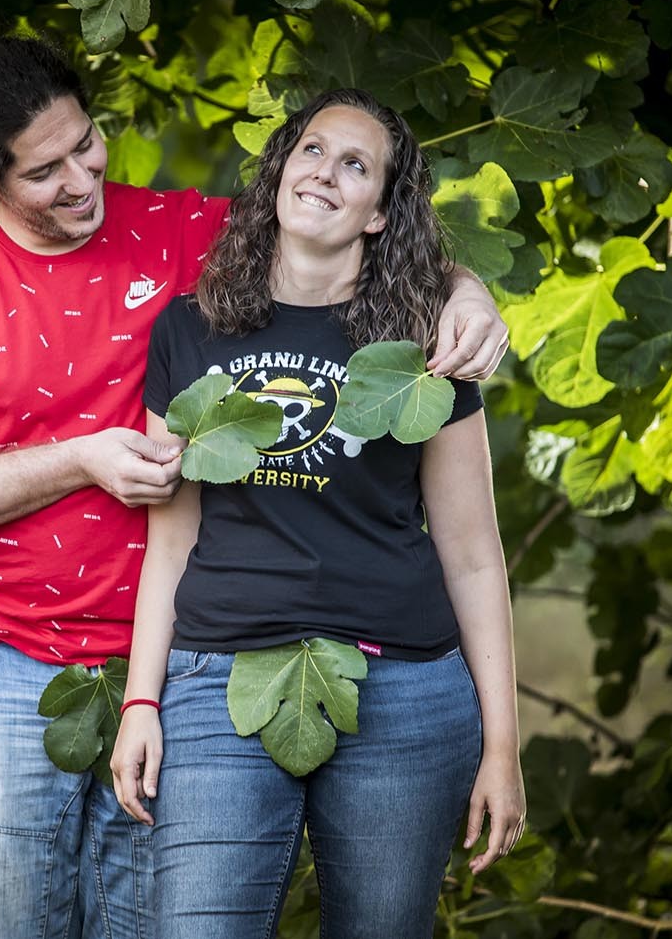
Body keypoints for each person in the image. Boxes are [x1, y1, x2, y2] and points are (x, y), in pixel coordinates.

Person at [0, 32, 511, 939]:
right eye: (45, 173)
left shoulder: (180, 232)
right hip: (2, 652)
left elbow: (339, 233)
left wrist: (466, 291)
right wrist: (83, 457)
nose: (82, 180)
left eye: (86, 145)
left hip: (177, 663)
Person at [110, 88, 526, 939]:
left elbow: (474, 554)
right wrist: (140, 703)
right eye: (311, 150)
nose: (326, 173)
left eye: (355, 164)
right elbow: (171, 541)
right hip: (218, 678)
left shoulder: (426, 349)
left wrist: (504, 747)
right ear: (278, 174)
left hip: (403, 689)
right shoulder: (189, 330)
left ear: (380, 213)